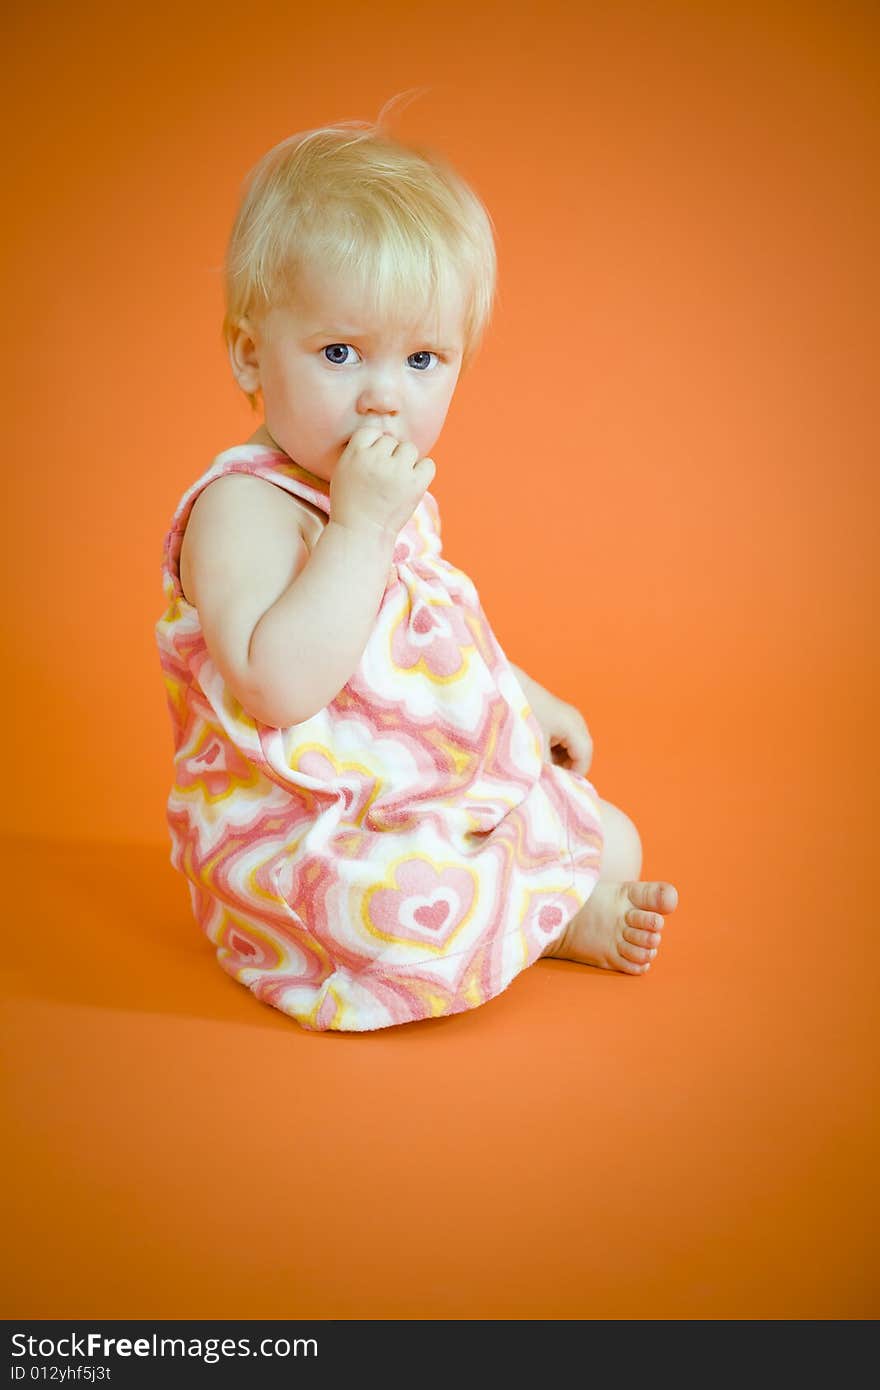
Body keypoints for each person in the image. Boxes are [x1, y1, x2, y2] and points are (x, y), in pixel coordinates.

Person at [155, 108, 679, 1032]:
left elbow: (426, 633)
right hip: (309, 829)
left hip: (418, 786)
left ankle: (535, 916)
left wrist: (526, 696)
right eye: (340, 352)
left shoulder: (378, 494)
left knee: (618, 841)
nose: (382, 393)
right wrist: (358, 529)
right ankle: (533, 922)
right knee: (396, 923)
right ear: (250, 352)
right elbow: (281, 686)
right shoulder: (244, 509)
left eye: (423, 358)